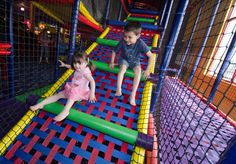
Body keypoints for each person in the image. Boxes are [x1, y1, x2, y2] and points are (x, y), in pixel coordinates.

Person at [30, 52, 97, 121]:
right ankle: (40, 104)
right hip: (73, 88)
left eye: (79, 63)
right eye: (75, 63)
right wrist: (65, 65)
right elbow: (72, 67)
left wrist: (92, 94)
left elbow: (92, 81)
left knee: (71, 97)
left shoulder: (86, 73)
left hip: (80, 92)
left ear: (86, 63)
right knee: (58, 95)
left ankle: (65, 111)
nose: (77, 65)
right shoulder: (78, 68)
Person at [109, 21, 154, 106]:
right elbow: (114, 51)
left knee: (138, 72)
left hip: (135, 61)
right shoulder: (123, 41)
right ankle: (118, 89)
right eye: (125, 36)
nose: (127, 39)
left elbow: (151, 56)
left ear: (138, 36)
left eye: (130, 37)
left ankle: (133, 94)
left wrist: (148, 70)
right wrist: (112, 62)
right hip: (124, 60)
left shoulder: (140, 43)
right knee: (122, 69)